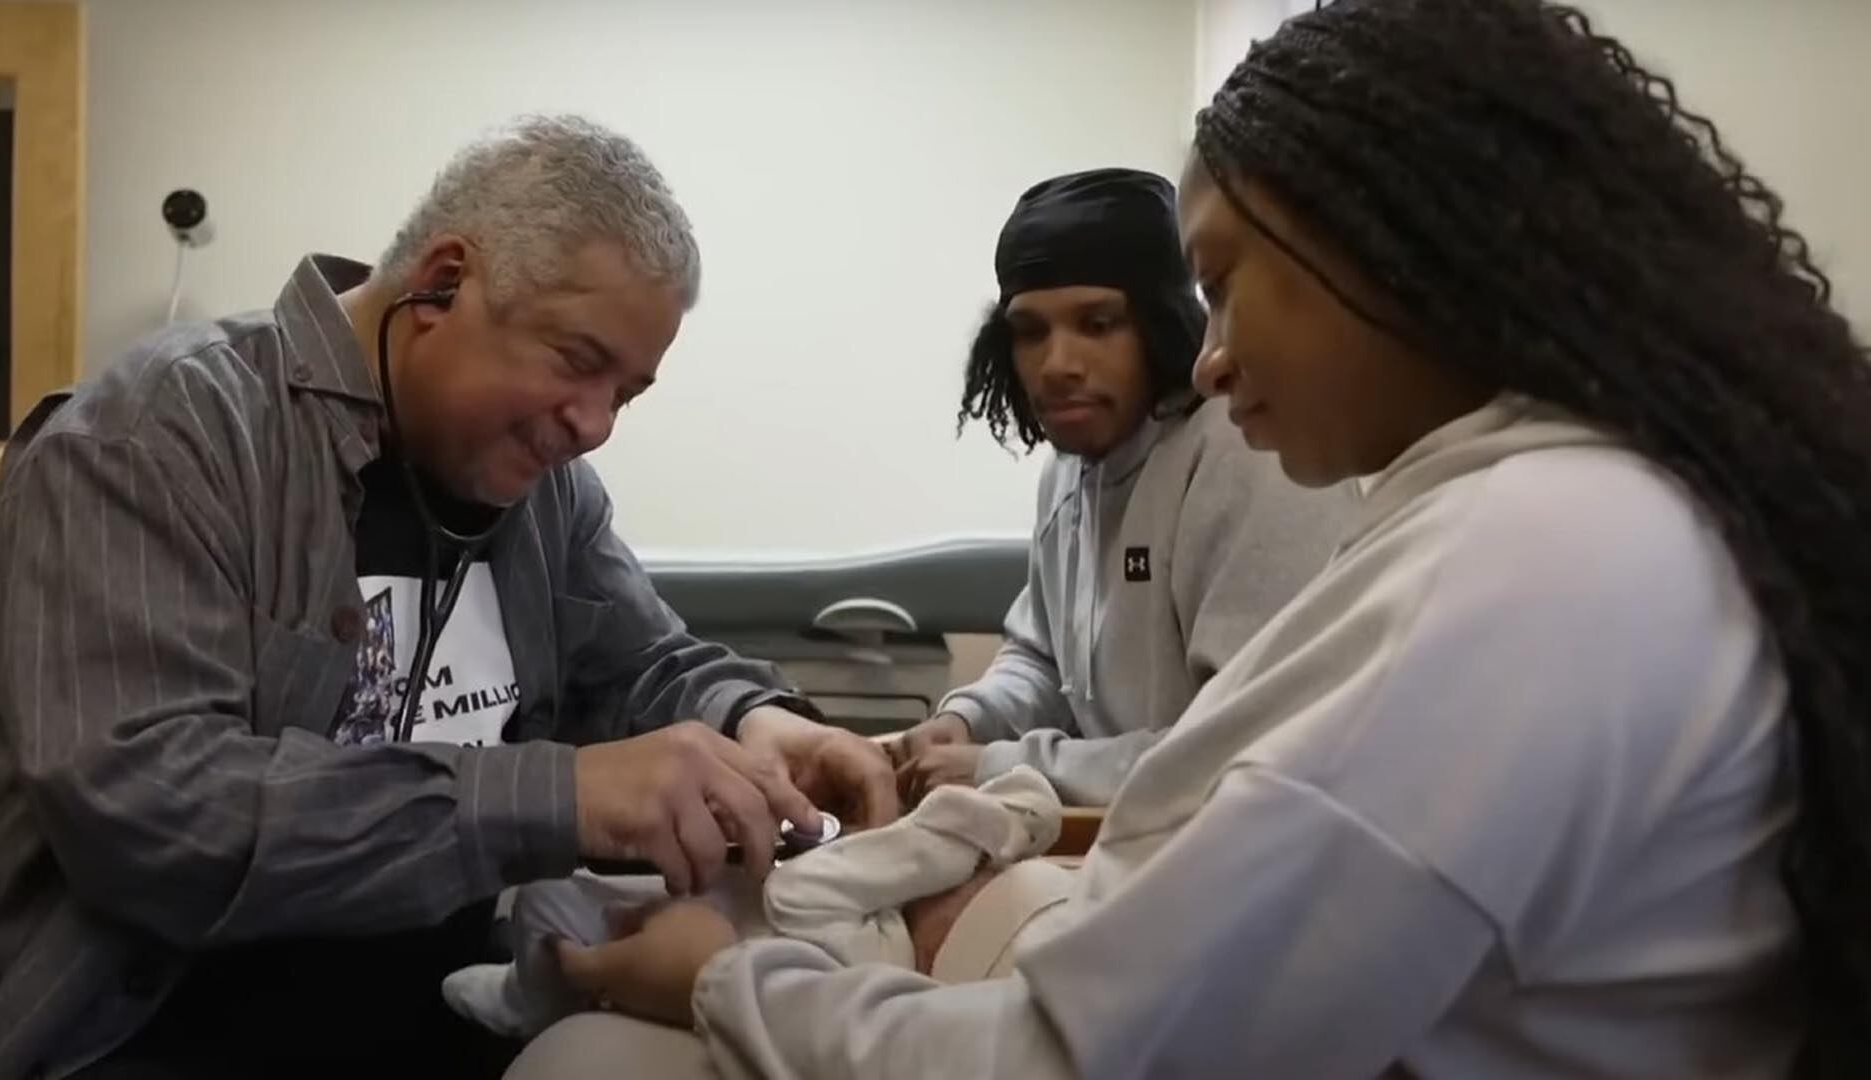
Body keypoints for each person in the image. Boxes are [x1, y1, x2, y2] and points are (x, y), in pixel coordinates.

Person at [504, 1, 1871, 1076]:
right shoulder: (1564, 513)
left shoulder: (1524, 561)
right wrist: (964, 737)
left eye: (1220, 288)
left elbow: (1093, 1057)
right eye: (1029, 328)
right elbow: (1075, 689)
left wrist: (721, 979)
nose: (1216, 361)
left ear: (1385, 241)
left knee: (586, 1051)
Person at [0, 115, 895, 1080]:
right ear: (441, 282)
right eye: (578, 361)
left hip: (436, 1015)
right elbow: (152, 813)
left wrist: (756, 719)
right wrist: (557, 796)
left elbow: (640, 663)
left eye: (631, 393)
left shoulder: (544, 488)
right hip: (138, 1037)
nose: (597, 425)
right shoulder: (156, 439)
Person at [890, 168, 1349, 807]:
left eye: (1098, 324)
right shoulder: (1070, 468)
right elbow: (1043, 659)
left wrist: (1002, 765)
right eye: (1030, 332)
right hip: (1112, 834)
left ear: (1161, 322)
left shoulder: (1246, 455)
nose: (1058, 365)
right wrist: (966, 721)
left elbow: (1240, 748)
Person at [443, 766, 1072, 1039]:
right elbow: (1036, 800)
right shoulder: (1032, 877)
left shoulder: (868, 952)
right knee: (557, 890)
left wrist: (927, 847)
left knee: (549, 902)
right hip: (739, 905)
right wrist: (987, 837)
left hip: (727, 939)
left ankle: (531, 1001)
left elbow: (797, 892)